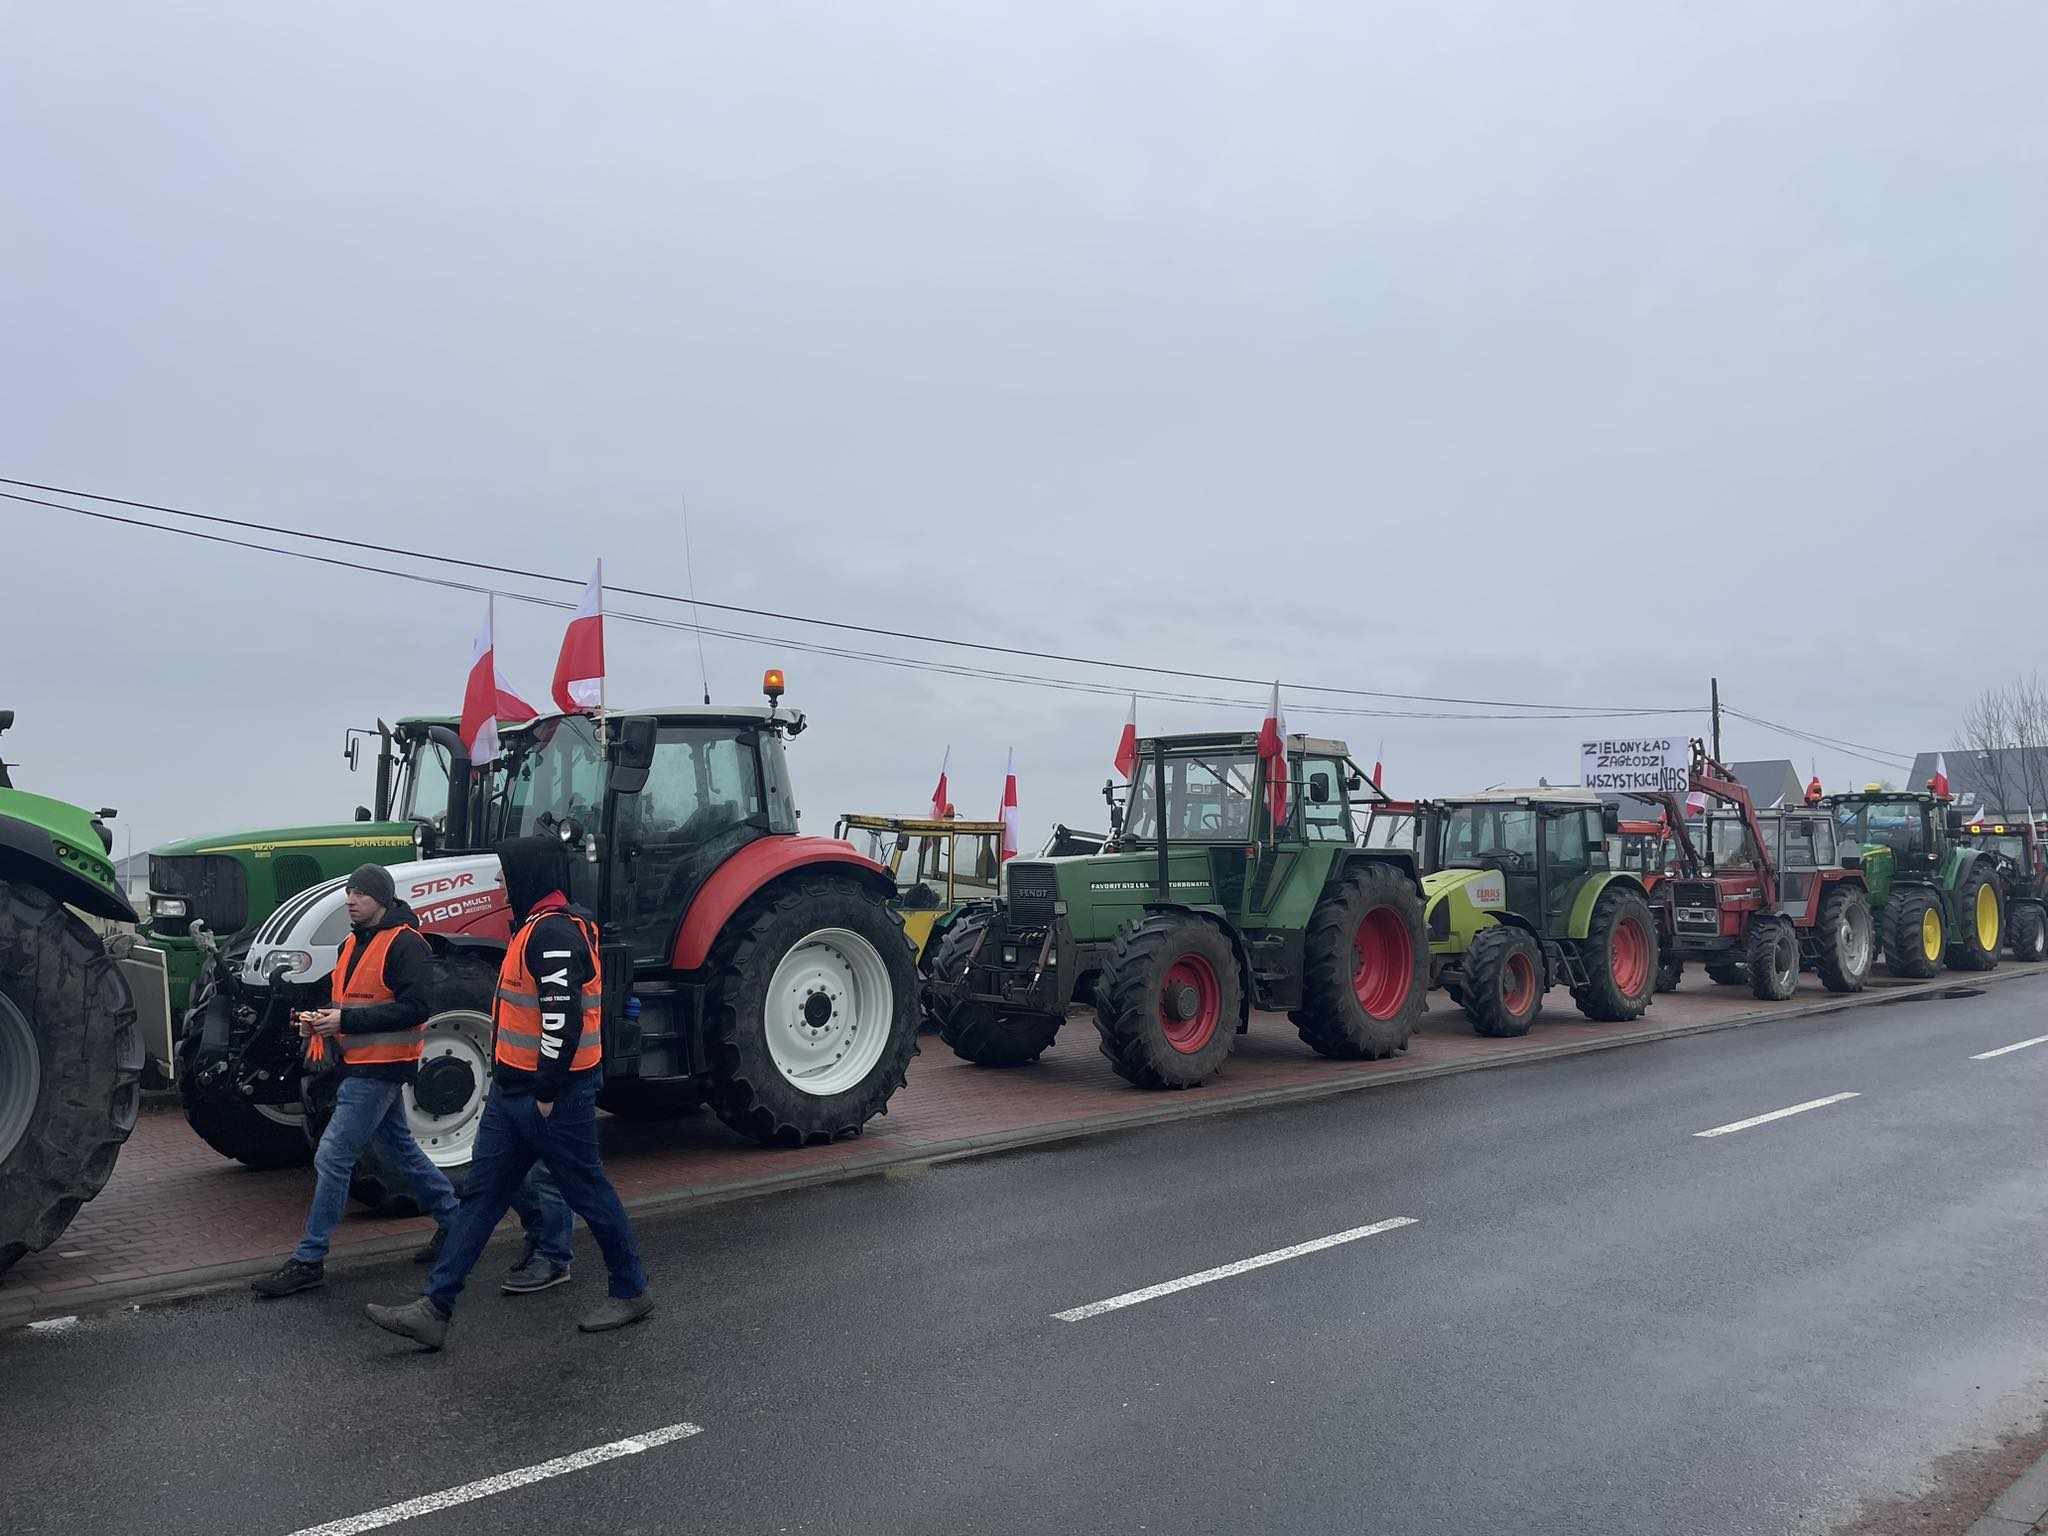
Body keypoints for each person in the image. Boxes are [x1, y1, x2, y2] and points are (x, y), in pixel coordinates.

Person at [366, 836, 652, 1348]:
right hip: (513, 1094)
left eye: (505, 875)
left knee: (588, 1192)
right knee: (481, 1197)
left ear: (528, 877)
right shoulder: (537, 928)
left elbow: (561, 1019)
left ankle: (631, 1291)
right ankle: (434, 1309)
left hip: (551, 1098)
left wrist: (546, 1090)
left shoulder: (555, 934)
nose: (500, 884)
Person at [251, 865, 461, 1298]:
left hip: (381, 1068)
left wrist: (344, 1020)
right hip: (360, 1064)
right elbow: (343, 999)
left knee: (333, 1155)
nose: (351, 899)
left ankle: (310, 1259)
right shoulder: (352, 943)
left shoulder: (407, 945)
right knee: (400, 1150)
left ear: (382, 899)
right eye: (349, 892)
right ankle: (456, 1223)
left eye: (361, 894)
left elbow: (417, 1008)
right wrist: (318, 1018)